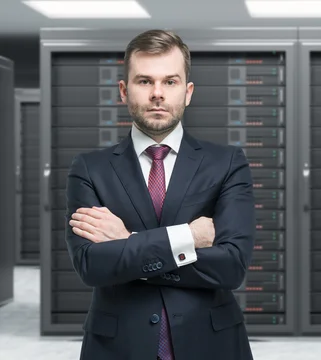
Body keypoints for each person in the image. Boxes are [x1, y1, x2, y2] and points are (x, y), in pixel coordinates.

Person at [65, 29, 255, 360]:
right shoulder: (89, 168)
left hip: (211, 345)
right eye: (144, 81)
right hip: (118, 347)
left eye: (170, 81)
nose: (157, 94)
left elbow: (231, 266)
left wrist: (128, 240)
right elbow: (91, 265)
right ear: (124, 91)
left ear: (188, 91)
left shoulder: (227, 163)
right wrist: (188, 236)